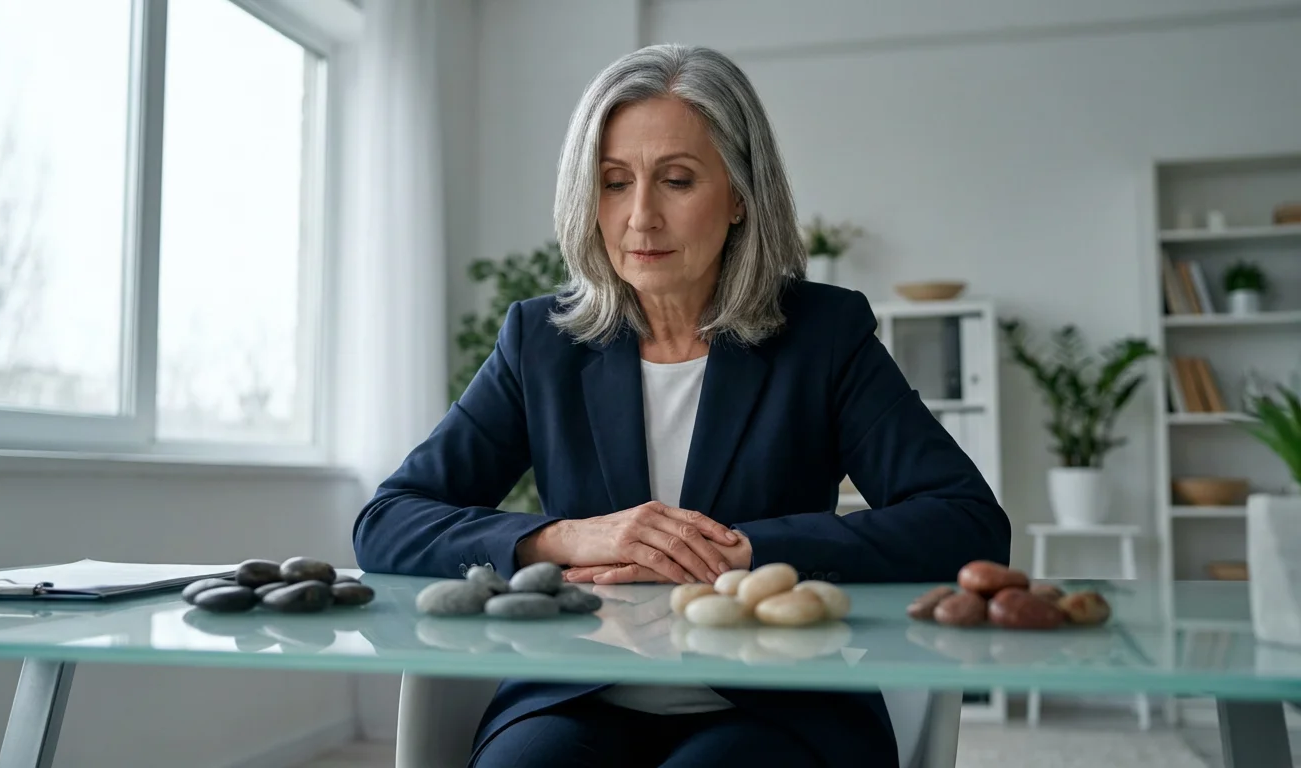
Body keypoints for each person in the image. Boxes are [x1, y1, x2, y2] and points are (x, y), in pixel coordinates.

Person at [353, 43, 1010, 768]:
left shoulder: (824, 336)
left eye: (676, 180)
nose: (640, 217)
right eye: (612, 182)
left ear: (738, 195)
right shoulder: (538, 343)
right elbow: (388, 521)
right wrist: (566, 539)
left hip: (774, 704)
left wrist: (748, 555)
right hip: (574, 693)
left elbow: (968, 524)